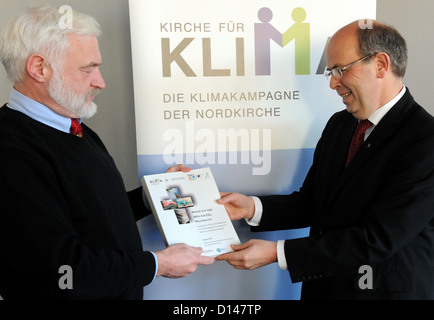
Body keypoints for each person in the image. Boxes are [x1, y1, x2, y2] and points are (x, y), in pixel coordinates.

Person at [0, 6, 213, 300]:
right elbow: (62, 272)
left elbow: (91, 217)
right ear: (39, 68)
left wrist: (148, 197)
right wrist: (157, 264)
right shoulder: (11, 152)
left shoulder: (73, 128)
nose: (100, 82)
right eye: (87, 69)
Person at [216, 20, 434, 300]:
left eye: (341, 70)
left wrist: (277, 252)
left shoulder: (425, 141)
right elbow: (314, 201)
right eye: (331, 72)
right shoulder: (340, 124)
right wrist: (252, 208)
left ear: (380, 64)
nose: (333, 83)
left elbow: (377, 239)